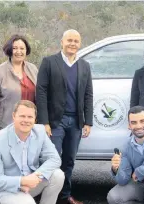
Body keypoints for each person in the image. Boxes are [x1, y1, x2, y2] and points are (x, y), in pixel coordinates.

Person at [36, 29, 93, 204]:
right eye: (69, 40)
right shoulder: (49, 62)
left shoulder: (84, 65)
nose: (72, 44)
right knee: (52, 160)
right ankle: (46, 196)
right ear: (62, 42)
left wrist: (88, 121)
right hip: (55, 121)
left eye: (76, 41)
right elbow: (41, 92)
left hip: (75, 121)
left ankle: (64, 196)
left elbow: (88, 94)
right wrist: (44, 121)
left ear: (80, 44)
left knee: (69, 161)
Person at [0, 100, 64, 204]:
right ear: (14, 116)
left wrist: (35, 176)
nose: (26, 120)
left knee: (57, 175)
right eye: (22, 116)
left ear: (35, 119)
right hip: (7, 189)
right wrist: (22, 181)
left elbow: (55, 159)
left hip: (31, 182)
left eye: (30, 117)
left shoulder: (40, 132)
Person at [0, 34, 38, 136]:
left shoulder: (33, 69)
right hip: (8, 127)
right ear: (9, 50)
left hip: (31, 126)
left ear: (26, 50)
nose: (18, 51)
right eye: (15, 48)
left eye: (22, 48)